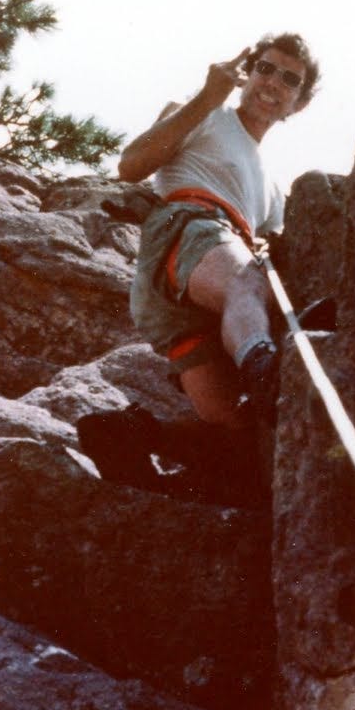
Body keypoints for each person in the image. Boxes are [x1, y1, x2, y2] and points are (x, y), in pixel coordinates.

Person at [119, 33, 319, 428]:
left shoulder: (273, 191)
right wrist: (207, 99)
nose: (273, 82)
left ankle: (152, 440)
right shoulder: (204, 115)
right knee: (247, 283)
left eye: (289, 79)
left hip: (191, 283)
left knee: (234, 423)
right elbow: (131, 166)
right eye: (264, 68)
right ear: (246, 75)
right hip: (190, 229)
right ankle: (264, 364)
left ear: (300, 104)